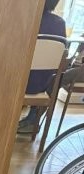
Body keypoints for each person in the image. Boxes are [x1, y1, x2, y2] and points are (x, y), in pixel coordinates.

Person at [18, 0, 67, 135]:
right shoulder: (60, 23)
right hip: (44, 86)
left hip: (19, 82)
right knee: (55, 75)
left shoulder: (26, 18)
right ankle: (33, 119)